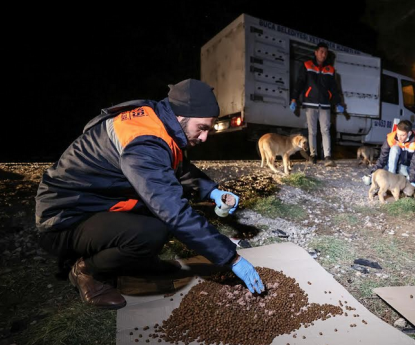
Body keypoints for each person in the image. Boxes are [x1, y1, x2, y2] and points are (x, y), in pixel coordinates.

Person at [35, 79, 265, 310]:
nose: (205, 137)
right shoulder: (143, 143)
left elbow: (176, 166)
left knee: (161, 206)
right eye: (202, 128)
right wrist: (231, 258)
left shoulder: (157, 119)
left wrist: (212, 191)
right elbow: (174, 213)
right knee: (153, 230)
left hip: (97, 202)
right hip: (64, 219)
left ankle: (139, 263)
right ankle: (87, 270)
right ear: (180, 117)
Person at [290, 42, 344, 167]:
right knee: (312, 131)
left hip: (325, 105)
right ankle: (313, 155)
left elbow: (334, 89)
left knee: (325, 130)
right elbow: (299, 83)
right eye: (321, 52)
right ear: (316, 52)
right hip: (310, 103)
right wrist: (294, 98)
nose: (323, 54)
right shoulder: (307, 65)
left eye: (325, 52)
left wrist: (338, 103)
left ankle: (327, 157)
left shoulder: (330, 69)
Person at [367, 120, 415, 191]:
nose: (399, 138)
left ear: (409, 133)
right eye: (398, 134)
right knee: (394, 148)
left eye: (402, 135)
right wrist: (373, 173)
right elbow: (382, 158)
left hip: (407, 169)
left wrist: (412, 182)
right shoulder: (391, 138)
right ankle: (391, 181)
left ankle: (405, 183)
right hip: (392, 168)